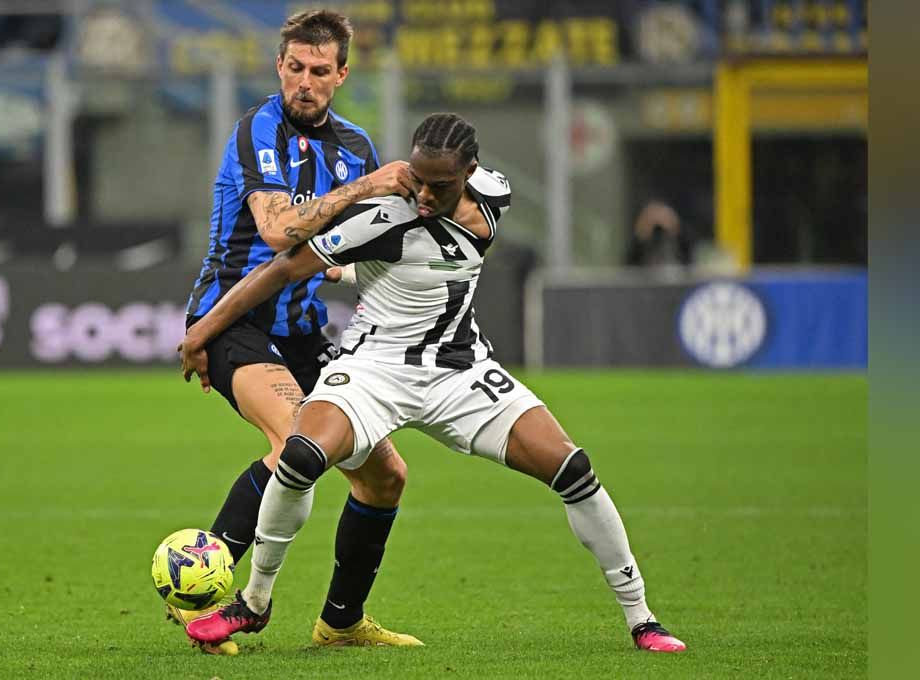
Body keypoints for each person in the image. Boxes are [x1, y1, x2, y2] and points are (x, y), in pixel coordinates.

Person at [178, 113, 687, 653]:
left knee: (573, 468)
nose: (422, 194)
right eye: (417, 179)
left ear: (471, 173)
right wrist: (201, 332)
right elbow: (281, 269)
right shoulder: (381, 217)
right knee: (301, 455)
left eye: (439, 186)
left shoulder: (495, 197)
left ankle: (642, 618)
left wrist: (351, 271)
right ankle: (254, 604)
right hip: (374, 369)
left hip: (460, 372)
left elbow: (432, 263)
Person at [173, 9, 420, 654]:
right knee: (295, 446)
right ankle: (210, 602)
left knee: (384, 475)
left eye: (318, 70)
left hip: (305, 332)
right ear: (279, 67)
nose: (303, 82)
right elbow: (280, 230)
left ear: (342, 74)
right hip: (233, 319)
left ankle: (339, 623)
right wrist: (367, 187)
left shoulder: (356, 145)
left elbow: (364, 248)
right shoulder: (260, 128)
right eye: (294, 68)